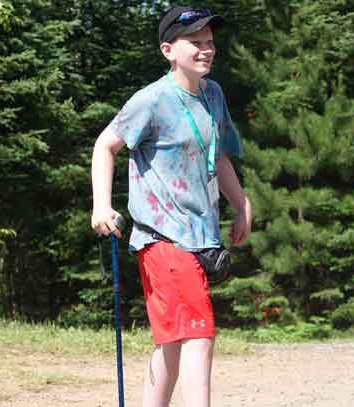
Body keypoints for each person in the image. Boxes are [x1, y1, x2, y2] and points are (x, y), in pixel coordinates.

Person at [91, 6, 252, 407]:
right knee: (198, 334)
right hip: (162, 238)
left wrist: (240, 203)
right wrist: (101, 206)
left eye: (209, 41)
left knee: (174, 342)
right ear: (168, 50)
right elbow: (105, 145)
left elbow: (219, 156)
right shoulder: (152, 100)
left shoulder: (213, 95)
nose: (206, 49)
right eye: (195, 42)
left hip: (202, 237)